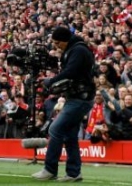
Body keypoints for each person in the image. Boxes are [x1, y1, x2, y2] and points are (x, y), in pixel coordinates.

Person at [32, 26, 95, 182]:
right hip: (76, 97)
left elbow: (71, 72)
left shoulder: (78, 50)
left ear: (64, 41)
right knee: (69, 136)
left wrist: (51, 81)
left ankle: (50, 169)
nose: (55, 46)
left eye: (57, 43)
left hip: (80, 98)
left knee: (55, 129)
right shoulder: (74, 49)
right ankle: (74, 173)